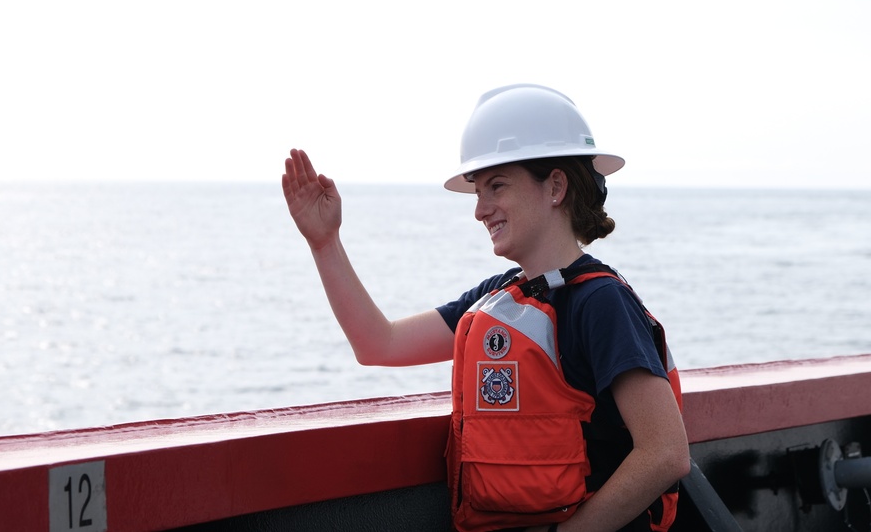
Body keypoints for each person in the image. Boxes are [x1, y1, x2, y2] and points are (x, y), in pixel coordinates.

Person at [282, 84, 689, 532]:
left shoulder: (600, 302)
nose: (480, 210)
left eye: (496, 186)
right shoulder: (498, 299)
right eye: (478, 191)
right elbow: (379, 343)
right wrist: (325, 243)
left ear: (555, 186)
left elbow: (665, 452)